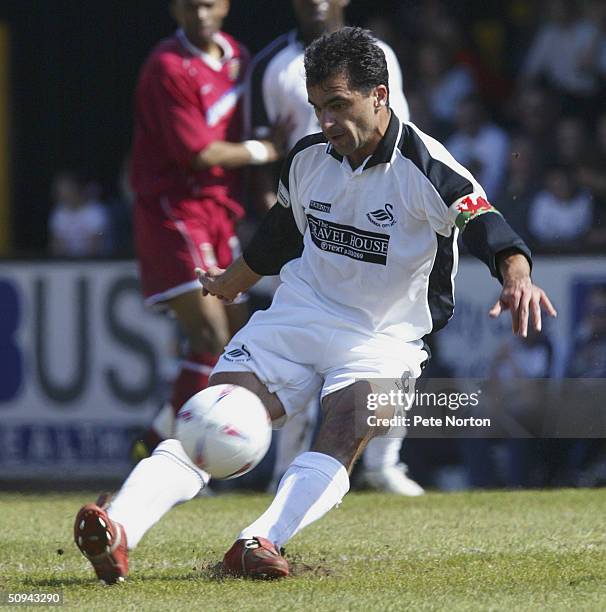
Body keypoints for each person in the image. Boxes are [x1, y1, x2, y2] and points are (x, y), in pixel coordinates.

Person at [74, 27, 556, 583]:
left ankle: (258, 540)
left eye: (337, 105)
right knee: (214, 416)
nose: (325, 123)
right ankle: (119, 529)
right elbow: (281, 232)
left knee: (347, 425)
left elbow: (484, 224)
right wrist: (234, 280)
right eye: (316, 108)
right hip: (299, 315)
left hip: (384, 338)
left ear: (379, 96)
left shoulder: (430, 168)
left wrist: (516, 274)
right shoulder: (307, 158)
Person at [246, 0, 421, 497]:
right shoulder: (271, 66)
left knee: (392, 331)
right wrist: (276, 213)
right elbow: (262, 152)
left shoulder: (377, 53)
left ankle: (384, 463)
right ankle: (286, 468)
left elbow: (399, 136)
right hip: (305, 215)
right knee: (299, 336)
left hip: (373, 213)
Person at [129, 0, 284, 460]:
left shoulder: (239, 56)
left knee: (235, 347)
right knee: (210, 337)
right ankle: (175, 458)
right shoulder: (167, 67)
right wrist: (265, 151)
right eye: (190, 6)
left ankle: (156, 443)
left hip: (221, 212)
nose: (201, 14)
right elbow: (197, 153)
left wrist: (264, 190)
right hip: (174, 212)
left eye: (209, 4)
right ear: (174, 10)